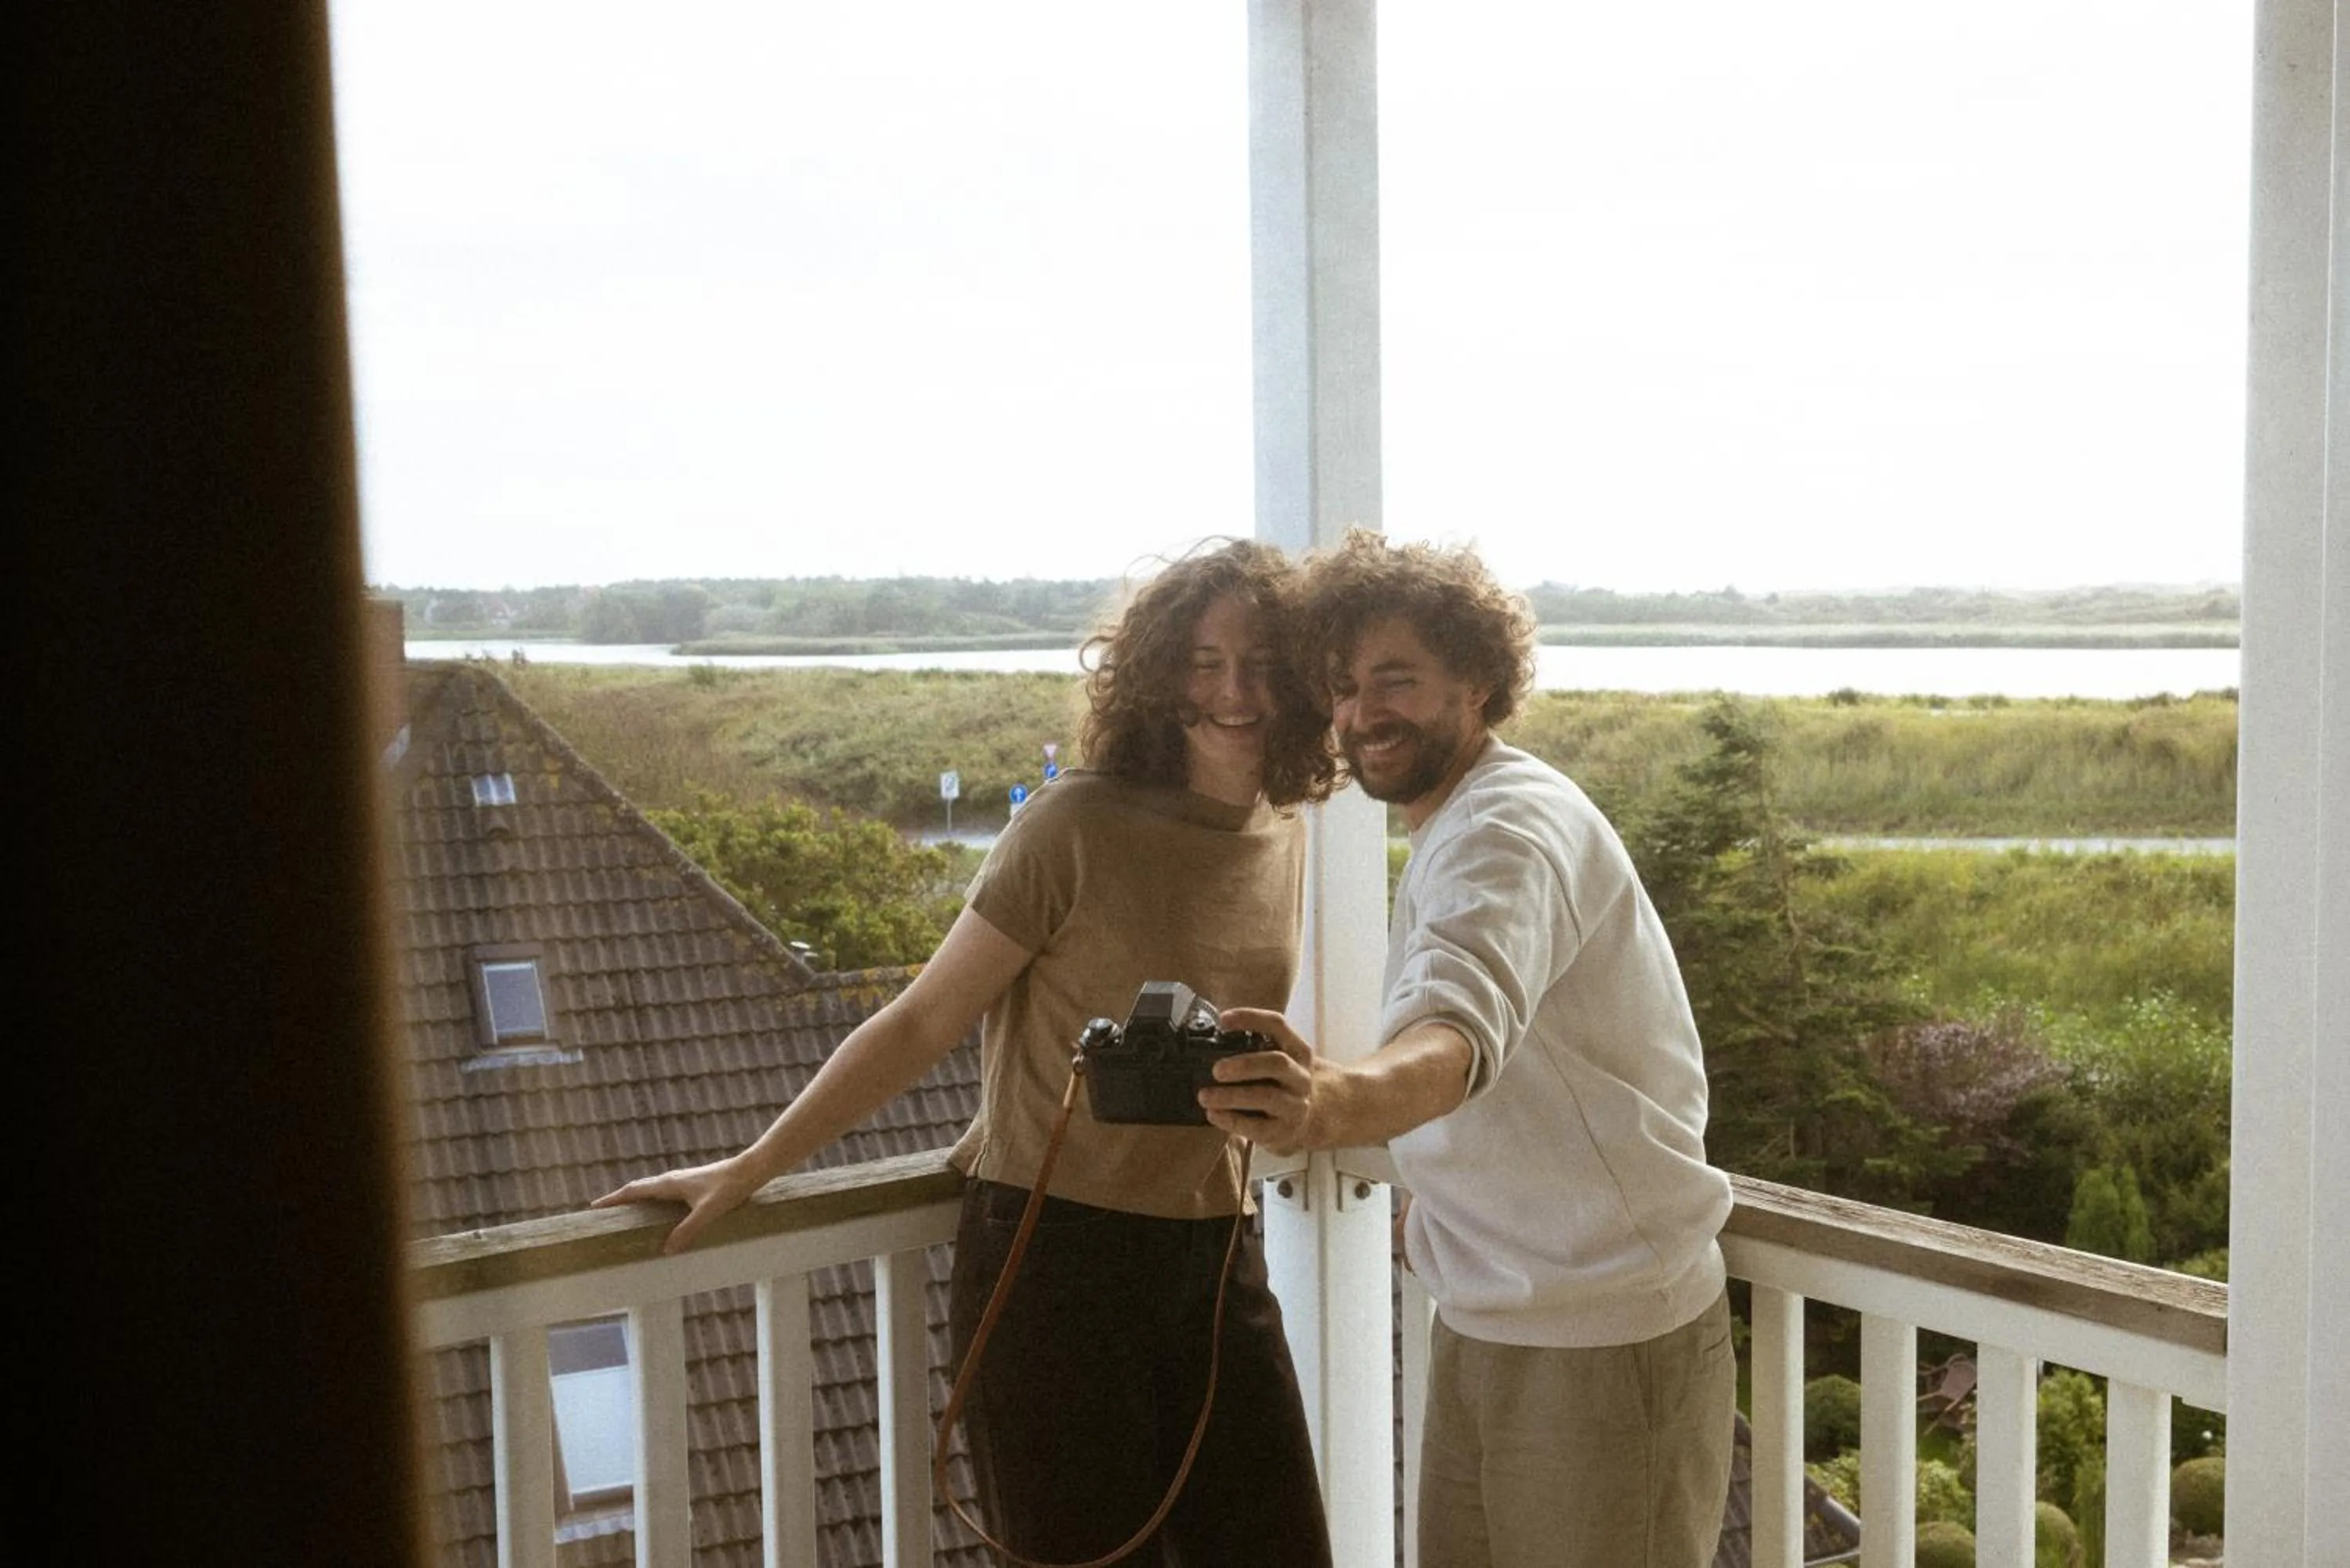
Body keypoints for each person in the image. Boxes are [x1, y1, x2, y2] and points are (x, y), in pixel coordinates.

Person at [595, 537, 1339, 1567]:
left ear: (1303, 676)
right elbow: (918, 1022)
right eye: (1205, 662)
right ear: (1162, 675)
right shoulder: (1073, 826)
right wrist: (752, 1165)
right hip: (1058, 1257)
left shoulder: (1286, 826)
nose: (1235, 690)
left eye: (1261, 661)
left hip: (1216, 1254)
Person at [1199, 530, 1735, 1568]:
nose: (1362, 713)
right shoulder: (1455, 819)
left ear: (1479, 680)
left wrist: (1325, 1103)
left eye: (1396, 679)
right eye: (1345, 688)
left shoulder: (1507, 829)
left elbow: (1455, 1032)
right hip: (1494, 1317)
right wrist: (1442, 1187)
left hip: (1603, 1339)